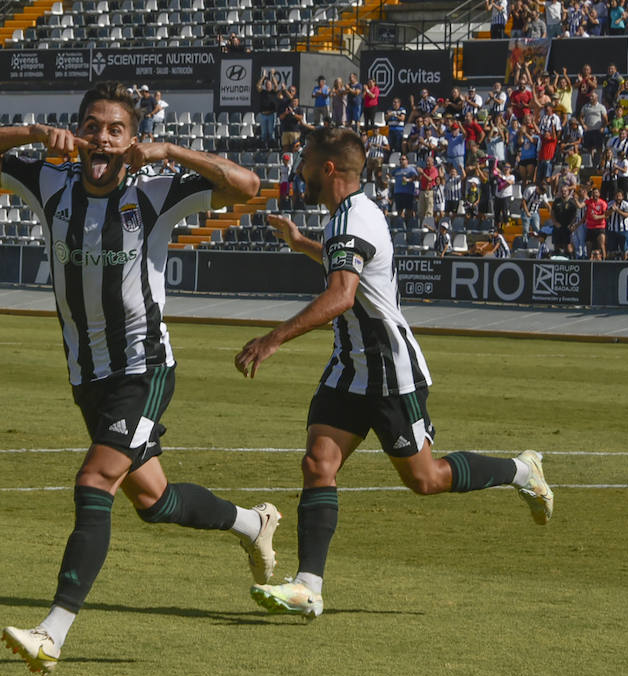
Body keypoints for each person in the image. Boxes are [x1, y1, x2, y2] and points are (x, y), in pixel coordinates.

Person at [0, 80, 279, 675]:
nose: (101, 137)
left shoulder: (154, 189)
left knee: (93, 481)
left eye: (115, 129)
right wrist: (31, 133)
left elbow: (250, 187)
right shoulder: (49, 180)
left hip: (143, 369)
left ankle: (52, 631)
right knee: (153, 501)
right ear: (78, 130)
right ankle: (252, 523)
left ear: (130, 139)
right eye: (92, 125)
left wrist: (172, 152)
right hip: (88, 377)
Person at [233, 126, 552, 619]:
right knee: (318, 464)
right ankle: (308, 586)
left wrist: (273, 338)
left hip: (388, 371)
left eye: (307, 163)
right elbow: (350, 271)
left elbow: (341, 295)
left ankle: (521, 471)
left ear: (329, 169)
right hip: (348, 368)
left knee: (426, 479)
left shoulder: (354, 218)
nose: (300, 171)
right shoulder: (350, 215)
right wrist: (302, 243)